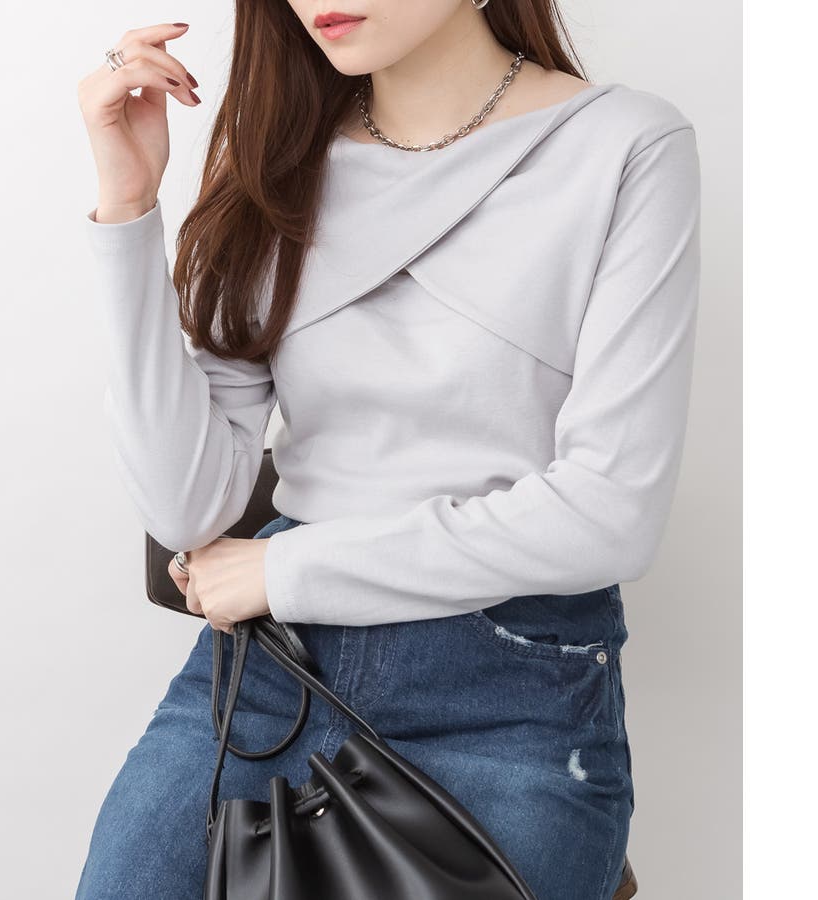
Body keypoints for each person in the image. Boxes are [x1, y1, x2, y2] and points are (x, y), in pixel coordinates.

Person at [74, 1, 700, 897]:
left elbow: (610, 516)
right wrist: (129, 209)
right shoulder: (280, 164)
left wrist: (286, 569)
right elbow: (187, 507)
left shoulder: (622, 145)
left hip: (506, 691)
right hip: (271, 677)